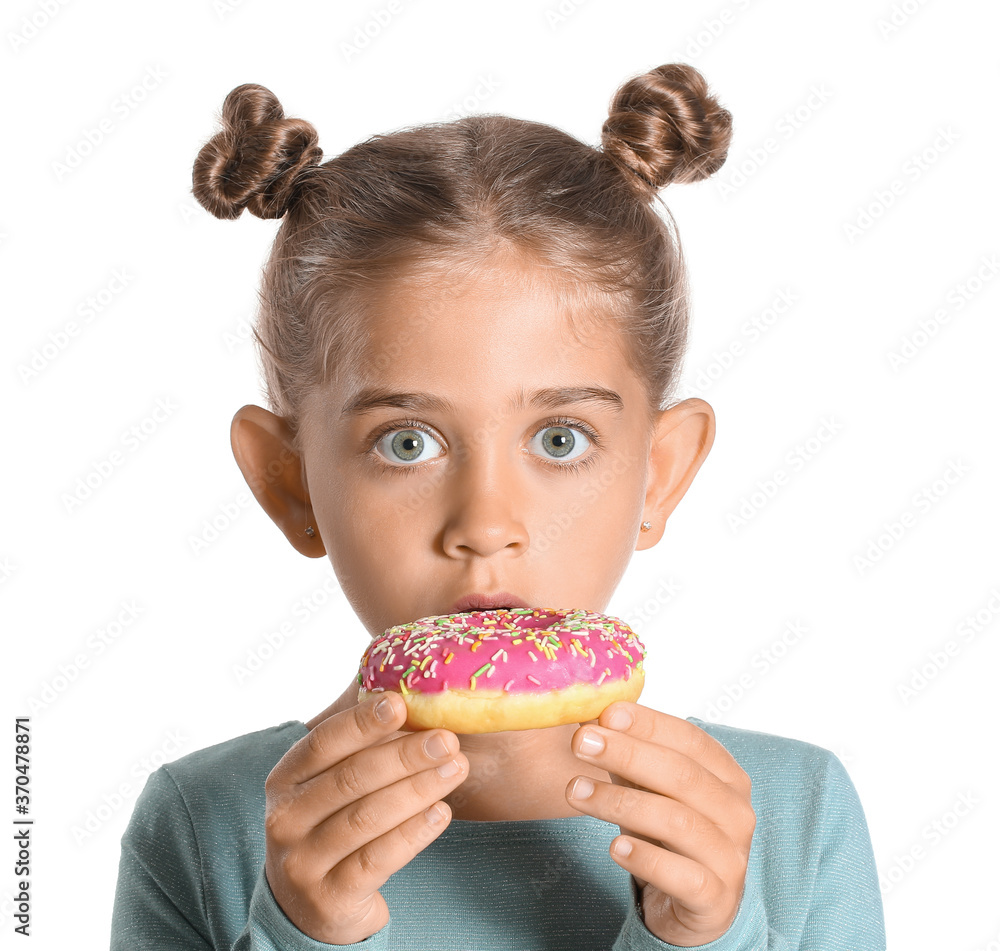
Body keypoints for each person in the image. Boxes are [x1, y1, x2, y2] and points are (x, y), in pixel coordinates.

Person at [111, 63, 886, 949]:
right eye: (407, 442)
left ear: (660, 473)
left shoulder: (790, 816)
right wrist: (300, 935)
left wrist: (706, 937)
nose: (485, 524)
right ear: (290, 484)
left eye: (561, 438)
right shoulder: (203, 824)